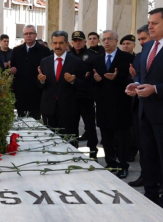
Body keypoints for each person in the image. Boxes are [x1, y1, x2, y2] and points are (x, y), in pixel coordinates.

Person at [125, 7, 163, 206]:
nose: (150, 27)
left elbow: (155, 83)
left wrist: (155, 89)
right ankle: (150, 195)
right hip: (144, 113)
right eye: (149, 23)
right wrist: (136, 85)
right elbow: (144, 76)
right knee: (147, 157)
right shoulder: (148, 47)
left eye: (155, 23)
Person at [93, 30, 134, 179]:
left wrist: (117, 78)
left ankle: (123, 165)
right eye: (104, 39)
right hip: (103, 104)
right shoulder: (97, 59)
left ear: (116, 41)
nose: (106, 42)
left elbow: (131, 79)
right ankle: (110, 163)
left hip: (121, 103)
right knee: (106, 136)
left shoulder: (127, 58)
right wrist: (96, 79)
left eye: (109, 39)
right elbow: (92, 81)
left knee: (122, 138)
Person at [37, 31, 85, 145]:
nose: (58, 46)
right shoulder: (45, 62)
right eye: (55, 43)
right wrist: (41, 80)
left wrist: (73, 81)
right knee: (50, 143)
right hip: (49, 109)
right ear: (51, 44)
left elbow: (84, 85)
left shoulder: (76, 62)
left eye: (61, 43)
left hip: (69, 110)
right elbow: (40, 85)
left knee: (69, 143)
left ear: (67, 43)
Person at [9, 24, 51, 118]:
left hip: (37, 92)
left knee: (35, 121)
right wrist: (12, 71)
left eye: (31, 33)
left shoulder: (44, 51)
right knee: (21, 120)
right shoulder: (16, 51)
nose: (28, 36)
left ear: (36, 35)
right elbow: (12, 67)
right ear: (23, 36)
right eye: (26, 33)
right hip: (21, 92)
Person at [127, 24, 151, 188]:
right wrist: (135, 83)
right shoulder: (140, 57)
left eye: (144, 38)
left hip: (156, 107)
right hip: (141, 107)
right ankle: (146, 176)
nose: (141, 42)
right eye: (140, 39)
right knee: (145, 147)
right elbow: (140, 78)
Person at [69, 31, 98, 159]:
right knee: (72, 126)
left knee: (90, 127)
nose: (77, 43)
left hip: (86, 96)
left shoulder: (92, 55)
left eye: (80, 40)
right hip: (72, 97)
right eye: (75, 41)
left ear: (85, 42)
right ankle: (74, 151)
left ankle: (93, 153)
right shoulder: (68, 55)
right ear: (71, 42)